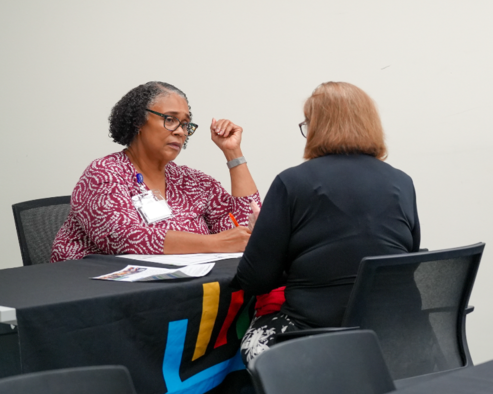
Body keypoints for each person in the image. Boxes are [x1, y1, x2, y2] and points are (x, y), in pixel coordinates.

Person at [234, 82, 420, 364]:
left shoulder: (292, 182)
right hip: (396, 337)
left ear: (318, 127)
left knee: (251, 345)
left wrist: (266, 234)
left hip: (313, 335)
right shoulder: (401, 182)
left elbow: (254, 280)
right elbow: (405, 256)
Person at [51, 82, 259, 262]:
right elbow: (124, 238)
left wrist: (232, 152)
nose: (180, 131)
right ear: (138, 122)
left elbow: (245, 228)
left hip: (177, 288)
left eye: (185, 124)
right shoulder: (105, 173)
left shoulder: (192, 182)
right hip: (93, 289)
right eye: (170, 119)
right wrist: (215, 243)